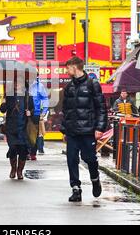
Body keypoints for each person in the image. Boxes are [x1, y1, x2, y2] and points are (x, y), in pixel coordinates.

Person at [60, 56, 107, 202]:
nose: (66, 71)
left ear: (74, 67)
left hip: (88, 130)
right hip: (72, 131)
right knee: (71, 159)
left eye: (68, 68)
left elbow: (101, 108)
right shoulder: (68, 88)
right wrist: (64, 130)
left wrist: (99, 128)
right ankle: (76, 189)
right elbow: (66, 110)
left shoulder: (93, 84)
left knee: (89, 159)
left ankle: (95, 179)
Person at [0, 80, 34, 180]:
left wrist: (30, 113)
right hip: (11, 128)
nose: (16, 84)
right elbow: (2, 110)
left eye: (18, 82)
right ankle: (13, 169)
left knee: (23, 151)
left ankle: (20, 171)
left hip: (24, 128)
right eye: (15, 82)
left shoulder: (28, 96)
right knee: (13, 149)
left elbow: (35, 109)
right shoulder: (9, 95)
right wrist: (4, 102)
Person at [29, 76, 49, 157]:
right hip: (24, 113)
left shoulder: (39, 86)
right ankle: (26, 152)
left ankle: (33, 152)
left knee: (35, 133)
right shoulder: (23, 85)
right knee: (25, 133)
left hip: (36, 113)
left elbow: (45, 99)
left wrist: (43, 112)